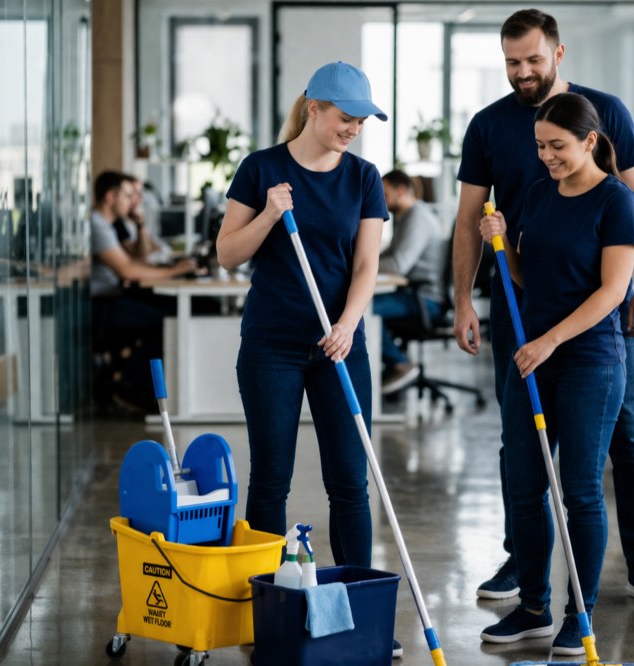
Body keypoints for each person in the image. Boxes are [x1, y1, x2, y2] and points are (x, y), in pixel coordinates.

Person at [452, 8, 634, 612]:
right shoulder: (490, 126)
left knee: (626, 438)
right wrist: (463, 298)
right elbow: (471, 222)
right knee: (520, 446)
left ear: (559, 53)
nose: (522, 72)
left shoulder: (605, 115)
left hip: (602, 312)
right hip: (525, 308)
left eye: (532, 59)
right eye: (511, 62)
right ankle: (526, 566)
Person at [215, 62, 401, 659]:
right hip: (271, 343)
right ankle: (268, 614)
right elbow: (226, 254)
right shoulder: (261, 168)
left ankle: (358, 612)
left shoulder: (365, 178)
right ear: (314, 108)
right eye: (346, 118)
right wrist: (269, 213)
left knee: (349, 481)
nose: (354, 129)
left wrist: (348, 325)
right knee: (271, 477)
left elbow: (368, 265)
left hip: (340, 346)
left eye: (362, 121)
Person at [477, 92, 634, 655]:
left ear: (590, 141)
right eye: (540, 146)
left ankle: (581, 614)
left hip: (588, 361)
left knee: (581, 494)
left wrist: (549, 340)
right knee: (524, 486)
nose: (546, 157)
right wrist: (499, 242)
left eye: (558, 146)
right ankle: (533, 606)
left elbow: (612, 292)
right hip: (533, 358)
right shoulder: (540, 194)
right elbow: (527, 278)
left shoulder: (616, 201)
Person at [90, 170, 198, 411]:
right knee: (168, 319)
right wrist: (174, 270)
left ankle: (131, 381)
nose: (133, 202)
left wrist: (141, 228)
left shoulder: (107, 225)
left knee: (167, 309)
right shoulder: (97, 225)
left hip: (114, 296)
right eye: (128, 195)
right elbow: (128, 270)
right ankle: (128, 384)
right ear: (110, 197)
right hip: (104, 304)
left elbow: (138, 258)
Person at [374, 169, 445, 394]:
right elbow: (391, 256)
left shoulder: (417, 217)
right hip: (413, 294)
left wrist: (362, 266)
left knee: (365, 311)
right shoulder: (406, 217)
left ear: (402, 190)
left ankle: (400, 364)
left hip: (425, 299)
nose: (381, 200)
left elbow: (398, 264)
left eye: (385, 194)